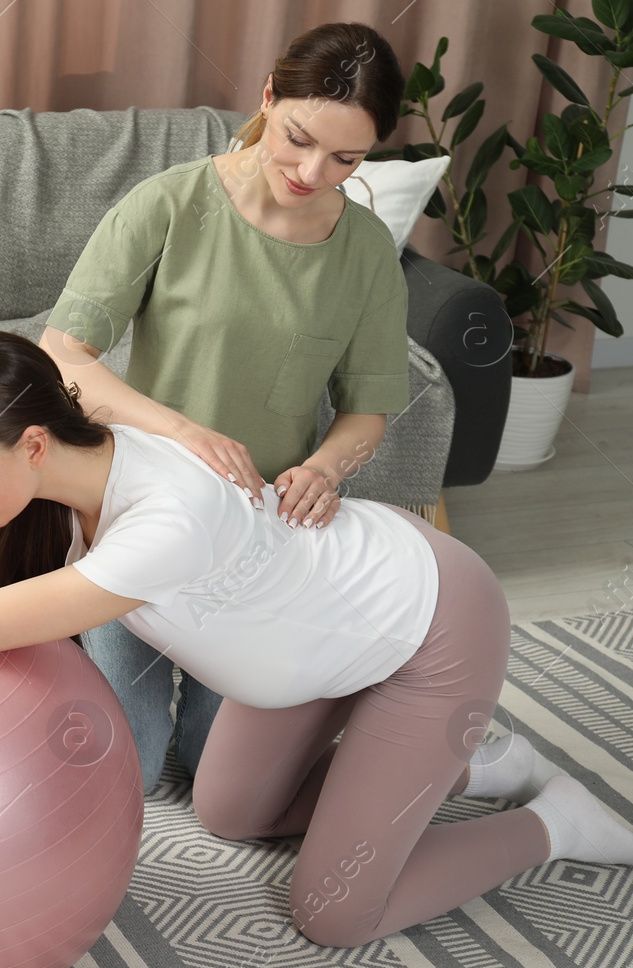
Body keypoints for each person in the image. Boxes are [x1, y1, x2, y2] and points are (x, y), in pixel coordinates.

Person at [0, 331, 633, 949]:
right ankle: (455, 762)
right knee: (229, 808)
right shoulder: (44, 475)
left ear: (29, 443)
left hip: (423, 625)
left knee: (334, 911)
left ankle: (552, 818)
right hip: (310, 657)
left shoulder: (160, 520)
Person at [39, 22, 414, 787]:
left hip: (255, 544)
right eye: (298, 138)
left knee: (223, 775)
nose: (313, 170)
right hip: (138, 517)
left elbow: (367, 408)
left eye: (346, 159)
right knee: (129, 772)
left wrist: (323, 468)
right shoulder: (168, 206)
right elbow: (61, 357)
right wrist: (183, 431)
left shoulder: (368, 251)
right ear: (268, 97)